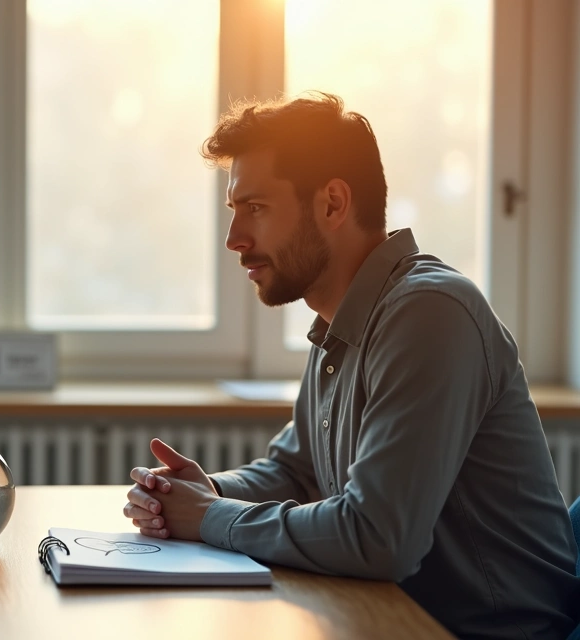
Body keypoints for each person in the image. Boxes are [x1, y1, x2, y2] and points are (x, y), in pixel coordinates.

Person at [123, 93, 580, 638]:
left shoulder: (429, 314)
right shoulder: (341, 325)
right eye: (234, 211)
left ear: (333, 204)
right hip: (393, 617)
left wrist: (208, 518)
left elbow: (377, 537)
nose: (234, 240)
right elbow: (297, 473)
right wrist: (198, 493)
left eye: (257, 208)